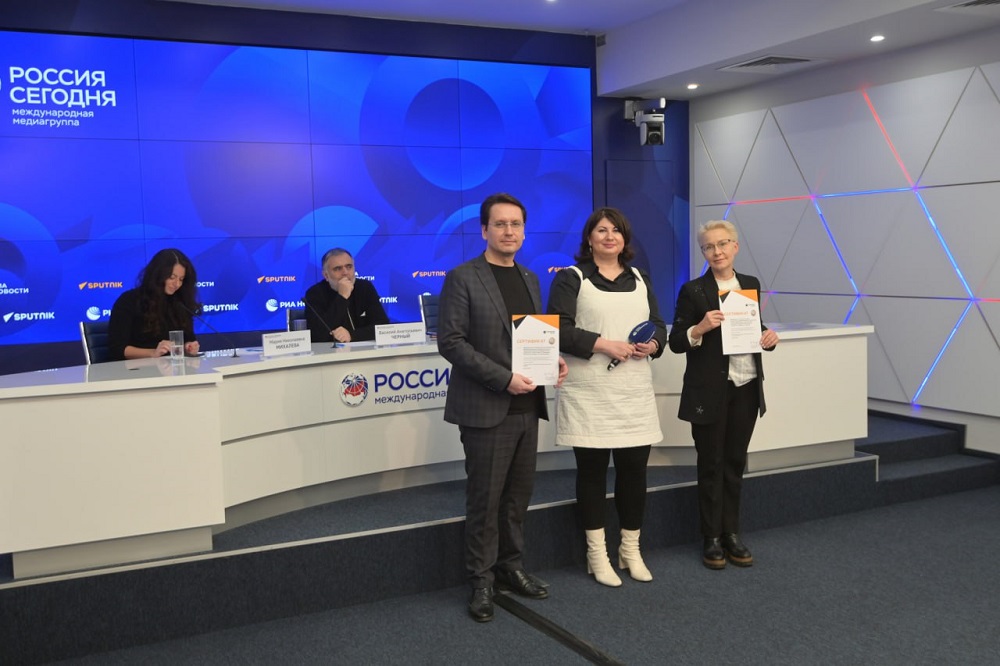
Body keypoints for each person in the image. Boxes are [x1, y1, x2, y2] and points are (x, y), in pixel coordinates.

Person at [437, 192, 568, 623]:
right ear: (484, 230)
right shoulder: (463, 277)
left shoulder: (530, 278)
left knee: (516, 499)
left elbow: (530, 338)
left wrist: (552, 359)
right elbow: (451, 342)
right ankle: (481, 580)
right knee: (485, 500)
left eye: (516, 224)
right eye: (500, 224)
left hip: (527, 408)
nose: (509, 231)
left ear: (524, 231)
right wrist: (503, 378)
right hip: (486, 408)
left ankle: (511, 567)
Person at [547, 207, 667, 587]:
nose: (609, 236)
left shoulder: (640, 277)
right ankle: (596, 554)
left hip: (633, 391)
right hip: (590, 392)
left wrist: (654, 344)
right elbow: (559, 330)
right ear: (589, 238)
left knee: (634, 473)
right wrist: (604, 344)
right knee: (592, 474)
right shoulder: (571, 278)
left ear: (624, 238)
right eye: (601, 230)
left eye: (616, 230)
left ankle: (630, 550)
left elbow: (659, 325)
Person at [668, 220, 779, 570]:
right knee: (711, 464)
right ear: (703, 251)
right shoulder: (693, 290)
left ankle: (731, 532)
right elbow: (675, 341)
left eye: (722, 244)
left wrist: (768, 336)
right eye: (708, 246)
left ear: (735, 246)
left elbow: (752, 326)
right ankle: (711, 537)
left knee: (734, 463)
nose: (716, 252)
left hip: (746, 386)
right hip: (709, 390)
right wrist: (699, 328)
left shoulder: (750, 284)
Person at [108, 248, 202, 361]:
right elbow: (117, 349)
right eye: (172, 277)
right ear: (158, 275)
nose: (177, 284)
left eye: (181, 279)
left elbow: (189, 339)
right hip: (137, 368)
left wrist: (189, 347)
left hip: (173, 368)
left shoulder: (179, 302)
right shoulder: (129, 300)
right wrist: (153, 353)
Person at [303, 248, 389, 343]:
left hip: (366, 349)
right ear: (326, 275)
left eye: (349, 267)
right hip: (331, 351)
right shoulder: (315, 293)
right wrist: (342, 297)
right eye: (338, 269)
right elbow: (317, 335)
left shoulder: (365, 287)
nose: (345, 273)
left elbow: (383, 327)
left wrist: (352, 335)